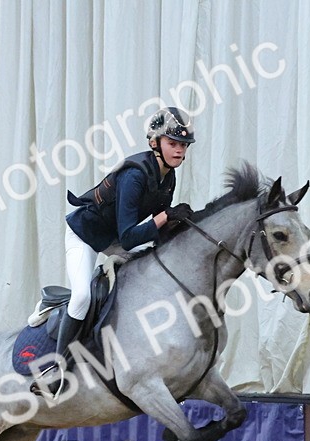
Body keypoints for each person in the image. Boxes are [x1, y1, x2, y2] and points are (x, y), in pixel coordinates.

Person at [36, 106, 197, 396]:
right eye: (173, 144)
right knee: (83, 295)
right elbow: (129, 236)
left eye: (183, 145)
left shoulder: (167, 177)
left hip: (114, 238)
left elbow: (154, 229)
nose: (179, 151)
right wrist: (165, 217)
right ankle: (54, 368)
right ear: (154, 143)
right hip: (86, 235)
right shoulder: (134, 176)